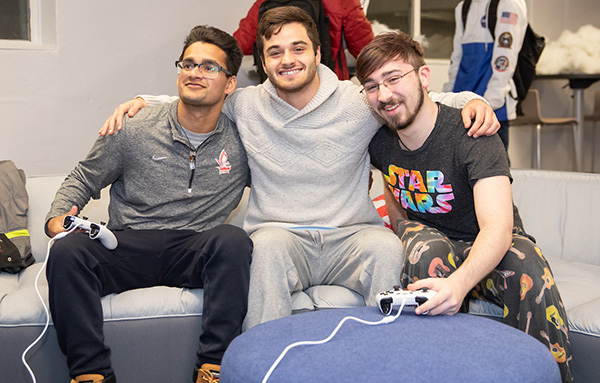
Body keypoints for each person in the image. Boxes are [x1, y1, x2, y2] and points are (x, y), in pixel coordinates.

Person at [100, 7, 500, 331]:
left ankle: (386, 363)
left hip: (352, 236)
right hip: (281, 235)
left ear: (318, 54)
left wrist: (473, 101)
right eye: (275, 52)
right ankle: (264, 368)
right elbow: (196, 95)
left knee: (386, 247)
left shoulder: (359, 99)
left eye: (298, 49)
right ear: (262, 61)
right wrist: (141, 100)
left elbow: (424, 96)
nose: (287, 60)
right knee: (266, 249)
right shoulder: (246, 105)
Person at [355, 31, 572, 382]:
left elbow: (497, 228)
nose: (384, 95)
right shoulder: (380, 143)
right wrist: (402, 227)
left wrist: (459, 284)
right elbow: (393, 191)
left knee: (527, 263)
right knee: (422, 247)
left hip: (487, 241)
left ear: (424, 77)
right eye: (371, 85)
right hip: (435, 241)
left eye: (394, 78)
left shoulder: (473, 133)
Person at [45, 26, 252, 383]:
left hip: (194, 247)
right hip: (127, 244)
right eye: (187, 64)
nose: (194, 73)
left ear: (230, 84)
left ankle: (214, 368)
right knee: (67, 252)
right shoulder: (135, 128)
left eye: (208, 67)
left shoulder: (245, 139)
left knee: (233, 241)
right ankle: (90, 373)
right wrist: (57, 217)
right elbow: (83, 177)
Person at [443, 0, 527, 151]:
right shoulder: (463, 7)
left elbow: (506, 55)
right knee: (458, 167)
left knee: (492, 167)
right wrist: (449, 97)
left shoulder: (509, 4)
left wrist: (491, 101)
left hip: (492, 106)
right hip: (461, 107)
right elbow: (457, 56)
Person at [233, 0, 374, 80]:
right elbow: (367, 51)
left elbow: (239, 45)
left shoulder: (264, 2)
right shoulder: (342, 2)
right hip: (328, 82)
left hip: (278, 88)